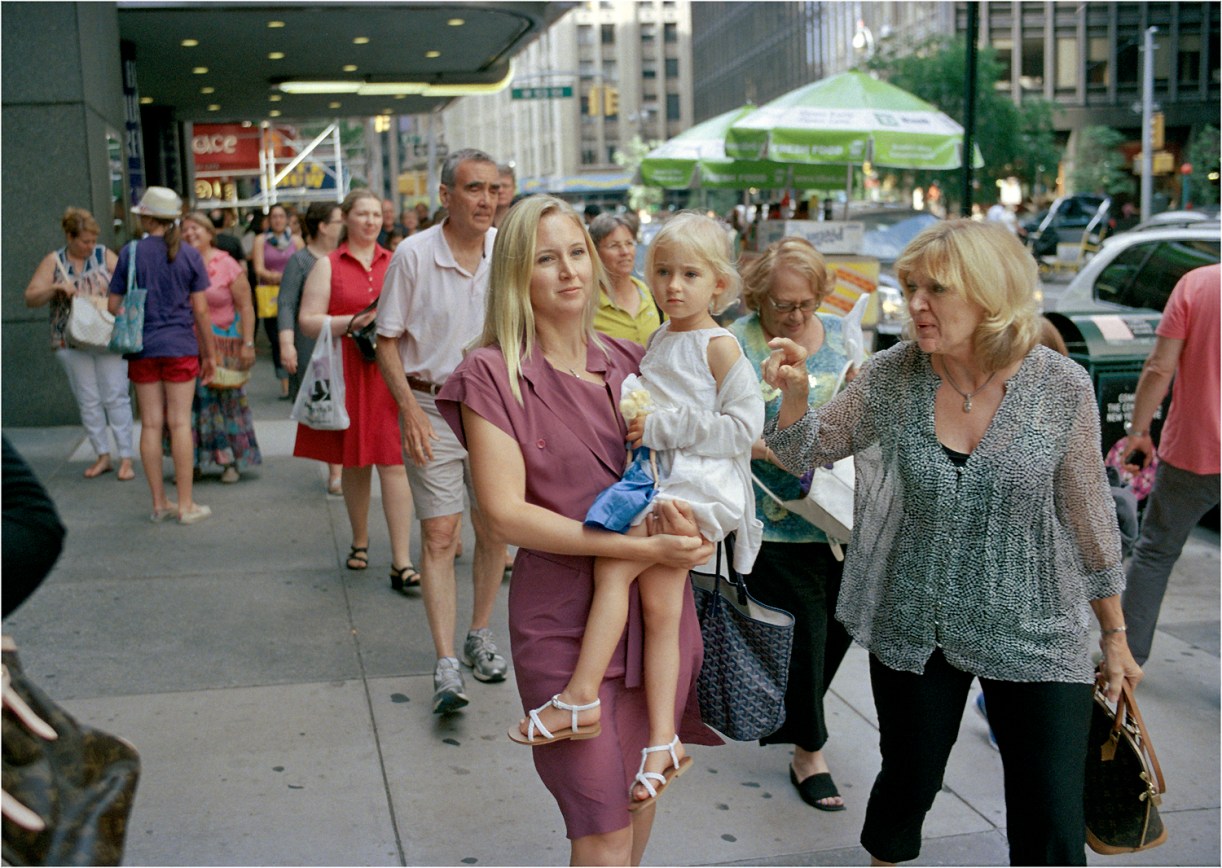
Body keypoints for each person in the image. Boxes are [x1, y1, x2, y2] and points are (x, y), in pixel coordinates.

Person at [762, 219, 1141, 866]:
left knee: (1051, 814)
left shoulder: (1059, 386)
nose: (915, 304)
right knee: (908, 781)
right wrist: (795, 397)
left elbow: (1088, 516)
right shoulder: (893, 375)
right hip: (918, 622)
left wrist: (1114, 635)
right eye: (910, 287)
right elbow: (804, 451)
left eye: (936, 289)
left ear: (990, 294)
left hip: (1037, 625)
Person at [435, 194, 720, 864]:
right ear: (516, 275)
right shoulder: (491, 373)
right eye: (545, 259)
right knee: (600, 826)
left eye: (575, 254)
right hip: (563, 621)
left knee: (638, 800)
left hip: (655, 617)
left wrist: (696, 528)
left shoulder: (632, 359)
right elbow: (504, 513)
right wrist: (637, 546)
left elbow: (699, 459)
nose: (568, 271)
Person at [510, 211, 762, 804]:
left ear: (719, 284)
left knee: (615, 566)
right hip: (663, 479)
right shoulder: (660, 339)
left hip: (697, 488)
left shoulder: (720, 345)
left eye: (690, 275)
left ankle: (581, 697)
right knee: (660, 611)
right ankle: (662, 741)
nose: (674, 286)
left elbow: (745, 428)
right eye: (664, 272)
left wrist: (661, 427)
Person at [375, 148, 508, 714]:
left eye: (493, 189)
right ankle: (446, 661)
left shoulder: (506, 249)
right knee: (440, 534)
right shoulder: (413, 254)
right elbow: (385, 340)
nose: (486, 200)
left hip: (495, 409)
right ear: (446, 196)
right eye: (474, 188)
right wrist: (407, 410)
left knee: (495, 526)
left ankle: (479, 633)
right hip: (430, 406)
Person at [728, 237, 855, 811]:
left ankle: (797, 714)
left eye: (807, 303)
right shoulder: (735, 342)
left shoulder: (842, 335)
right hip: (774, 520)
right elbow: (719, 426)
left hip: (840, 517)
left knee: (838, 630)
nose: (797, 316)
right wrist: (779, 451)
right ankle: (810, 751)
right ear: (759, 297)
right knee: (806, 635)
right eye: (783, 305)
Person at [293, 189, 418, 591]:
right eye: (362, 214)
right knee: (355, 462)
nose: (370, 221)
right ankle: (360, 540)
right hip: (347, 369)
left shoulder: (397, 260)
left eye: (376, 214)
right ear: (346, 218)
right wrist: (350, 322)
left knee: (395, 462)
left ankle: (401, 559)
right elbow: (308, 320)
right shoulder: (328, 265)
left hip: (391, 372)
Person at [1120, 263, 1220, 666]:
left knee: (1156, 553)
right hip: (1193, 450)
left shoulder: (1198, 284)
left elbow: (1160, 367)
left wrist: (1138, 431)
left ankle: (1126, 661)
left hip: (1195, 449)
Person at [108, 186, 216, 525]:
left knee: (151, 424)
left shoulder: (130, 252)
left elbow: (113, 305)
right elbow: (201, 311)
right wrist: (209, 355)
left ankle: (159, 503)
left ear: (146, 217)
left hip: (142, 347)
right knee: (180, 423)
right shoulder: (189, 255)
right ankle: (185, 505)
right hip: (181, 346)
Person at [23, 207, 134, 482]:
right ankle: (102, 455)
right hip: (70, 339)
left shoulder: (103, 255)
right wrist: (55, 288)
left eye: (93, 240)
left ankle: (126, 456)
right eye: (85, 241)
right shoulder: (54, 261)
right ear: (70, 237)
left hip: (107, 335)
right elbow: (31, 297)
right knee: (88, 399)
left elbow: (129, 281)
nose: (90, 246)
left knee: (116, 394)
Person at [179, 212, 261, 484]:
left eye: (196, 228)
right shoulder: (178, 262)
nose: (190, 233)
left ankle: (230, 462)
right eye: (185, 229)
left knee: (227, 404)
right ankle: (192, 462)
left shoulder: (227, 264)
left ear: (209, 233)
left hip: (223, 345)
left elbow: (246, 306)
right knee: (191, 407)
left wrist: (248, 343)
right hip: (188, 346)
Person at [278, 201, 345, 495]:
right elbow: (286, 303)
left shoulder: (345, 257)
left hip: (345, 341)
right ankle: (336, 470)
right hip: (312, 343)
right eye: (340, 220)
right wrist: (287, 344)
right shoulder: (301, 260)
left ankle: (347, 464)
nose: (345, 225)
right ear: (323, 226)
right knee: (326, 401)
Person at [252, 203, 303, 399]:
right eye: (274, 217)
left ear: (287, 220)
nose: (278, 220)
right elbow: (258, 269)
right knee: (276, 339)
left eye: (281, 216)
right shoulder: (261, 240)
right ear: (269, 220)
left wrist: (284, 277)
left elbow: (304, 265)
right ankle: (285, 383)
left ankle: (298, 379)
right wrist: (280, 277)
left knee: (297, 336)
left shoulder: (296, 240)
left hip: (295, 294)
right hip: (271, 297)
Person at [589, 213, 661, 346]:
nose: (625, 251)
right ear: (595, 252)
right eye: (614, 245)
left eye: (629, 243)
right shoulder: (586, 305)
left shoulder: (654, 294)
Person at [493, 163, 516, 227]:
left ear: (514, 189)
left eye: (505, 186)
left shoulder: (521, 220)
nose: (500, 190)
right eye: (496, 186)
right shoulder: (479, 221)